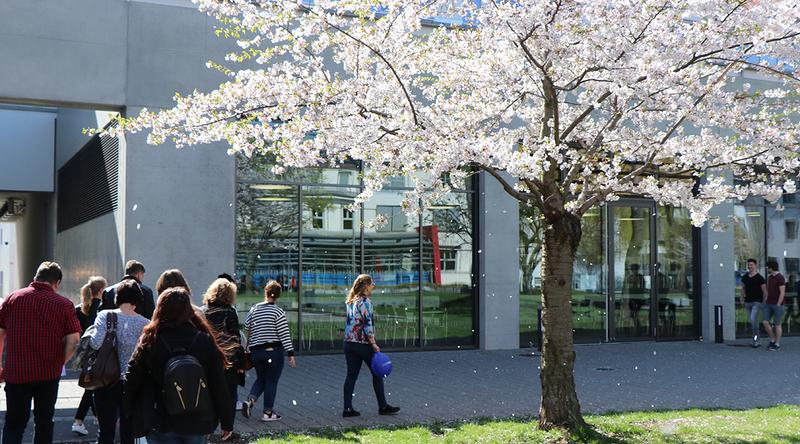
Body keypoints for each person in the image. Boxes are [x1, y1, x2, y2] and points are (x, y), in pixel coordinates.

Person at [124, 287, 233, 443]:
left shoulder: (151, 340)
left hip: (160, 418)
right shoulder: (204, 340)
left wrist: (129, 410)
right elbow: (218, 383)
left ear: (160, 309)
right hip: (197, 418)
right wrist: (226, 421)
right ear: (189, 310)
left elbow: (132, 378)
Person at [0, 261, 82, 444]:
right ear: (57, 283)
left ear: (35, 277)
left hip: (17, 373)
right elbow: (74, 341)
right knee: (44, 422)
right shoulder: (64, 304)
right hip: (47, 373)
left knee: (14, 424)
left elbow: (0, 334)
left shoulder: (13, 298)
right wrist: (60, 362)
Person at [87, 279, 150, 444]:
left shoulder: (105, 316)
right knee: (128, 433)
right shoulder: (145, 324)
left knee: (105, 432)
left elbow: (95, 343)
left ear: (117, 297)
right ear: (137, 299)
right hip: (132, 383)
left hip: (105, 379)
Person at [342, 274, 399, 418]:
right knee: (377, 373)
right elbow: (368, 325)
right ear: (366, 285)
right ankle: (383, 406)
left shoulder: (351, 301)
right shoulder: (365, 302)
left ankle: (347, 409)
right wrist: (373, 343)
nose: (373, 285)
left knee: (351, 376)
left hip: (349, 343)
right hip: (363, 343)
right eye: (372, 283)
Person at [242, 281, 297, 421]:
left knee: (261, 378)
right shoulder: (278, 312)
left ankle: (250, 401)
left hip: (256, 353)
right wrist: (290, 354)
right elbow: (284, 334)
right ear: (278, 295)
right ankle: (268, 413)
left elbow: (247, 328)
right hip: (273, 352)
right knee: (271, 381)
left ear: (265, 292)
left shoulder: (254, 309)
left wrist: (248, 347)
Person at [201, 278, 245, 427]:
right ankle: (227, 427)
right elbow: (236, 339)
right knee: (229, 395)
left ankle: (211, 425)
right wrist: (240, 364)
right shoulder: (230, 312)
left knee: (210, 394)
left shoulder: (203, 311)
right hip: (228, 360)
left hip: (208, 359)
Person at [72, 275, 108, 436]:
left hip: (84, 354)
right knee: (92, 387)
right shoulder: (100, 308)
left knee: (91, 387)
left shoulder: (79, 308)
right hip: (97, 354)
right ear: (101, 290)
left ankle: (85, 420)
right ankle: (80, 420)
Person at [740, 259, 767, 348]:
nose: (749, 266)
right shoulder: (745, 277)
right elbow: (743, 289)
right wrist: (742, 299)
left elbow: (764, 291)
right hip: (748, 302)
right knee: (753, 322)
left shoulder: (760, 278)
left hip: (757, 302)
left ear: (755, 265)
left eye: (751, 265)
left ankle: (756, 340)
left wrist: (763, 302)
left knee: (753, 320)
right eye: (748, 265)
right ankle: (756, 339)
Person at [762, 260, 787, 351]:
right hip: (768, 304)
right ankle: (772, 339)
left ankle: (777, 343)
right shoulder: (770, 278)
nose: (766, 269)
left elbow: (782, 292)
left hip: (777, 305)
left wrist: (778, 304)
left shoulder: (780, 278)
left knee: (777, 324)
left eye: (767, 267)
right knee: (765, 322)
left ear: (771, 268)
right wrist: (765, 300)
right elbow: (769, 291)